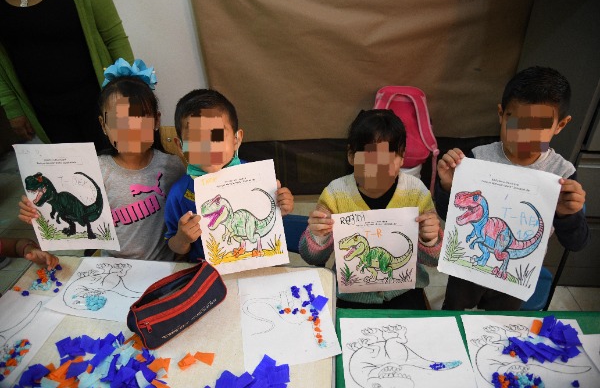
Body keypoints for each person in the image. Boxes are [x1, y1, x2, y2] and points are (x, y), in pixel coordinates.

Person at [435, 66, 590, 310]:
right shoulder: (475, 158)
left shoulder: (563, 174)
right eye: (516, 122)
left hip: (512, 280)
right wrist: (447, 186)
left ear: (560, 125)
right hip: (467, 272)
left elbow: (577, 242)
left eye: (539, 126)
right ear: (501, 114)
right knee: (453, 312)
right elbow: (450, 216)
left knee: (499, 325)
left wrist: (568, 214)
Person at [18, 59, 186, 261]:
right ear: (103, 125)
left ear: (156, 120)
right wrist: (37, 211)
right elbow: (65, 212)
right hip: (114, 268)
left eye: (140, 118)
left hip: (166, 267)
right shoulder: (94, 170)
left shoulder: (172, 167)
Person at [299, 109, 443, 310]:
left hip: (406, 291)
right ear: (351, 156)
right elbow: (312, 257)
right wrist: (318, 236)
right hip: (351, 295)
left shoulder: (416, 192)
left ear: (402, 158)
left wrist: (430, 239)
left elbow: (434, 260)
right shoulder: (335, 193)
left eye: (388, 157)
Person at [164, 89, 295, 262]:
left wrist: (283, 206)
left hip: (259, 266)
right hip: (206, 271)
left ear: (236, 139)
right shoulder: (179, 193)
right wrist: (182, 239)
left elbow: (272, 219)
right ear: (181, 146)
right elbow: (173, 244)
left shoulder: (256, 177)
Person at [0, 0, 133, 151]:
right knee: (72, 166)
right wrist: (12, 108)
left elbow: (115, 39)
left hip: (99, 100)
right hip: (45, 111)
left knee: (123, 158)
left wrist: (132, 91)